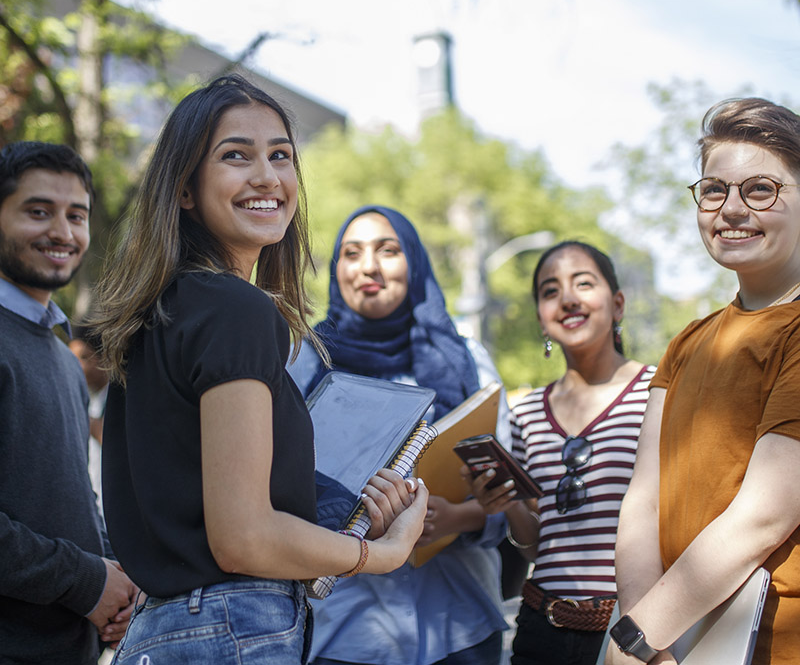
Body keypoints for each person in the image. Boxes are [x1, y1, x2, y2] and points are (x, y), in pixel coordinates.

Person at [91, 75, 428, 665]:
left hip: (169, 630)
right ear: (186, 188)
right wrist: (384, 552)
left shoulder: (162, 309)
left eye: (280, 156)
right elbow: (244, 536)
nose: (268, 177)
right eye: (235, 156)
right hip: (231, 628)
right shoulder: (233, 306)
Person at [606, 98, 800, 665]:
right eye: (714, 189)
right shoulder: (687, 341)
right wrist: (643, 642)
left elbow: (766, 514)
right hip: (670, 640)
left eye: (761, 189)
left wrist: (640, 634)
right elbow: (643, 500)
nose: (731, 208)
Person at [288, 205, 511, 665]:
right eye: (352, 253)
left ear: (414, 260)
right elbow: (276, 494)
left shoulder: (465, 358)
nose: (368, 266)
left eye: (388, 250)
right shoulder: (305, 361)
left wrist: (456, 518)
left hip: (460, 623)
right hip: (345, 630)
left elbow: (508, 493)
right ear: (337, 270)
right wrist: (357, 514)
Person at [467, 241, 655, 665]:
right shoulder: (526, 413)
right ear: (541, 318)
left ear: (618, 303)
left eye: (583, 283)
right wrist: (508, 503)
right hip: (540, 633)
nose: (568, 298)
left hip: (630, 633)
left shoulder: (658, 391)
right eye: (550, 291)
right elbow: (535, 546)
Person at [0, 141, 137, 663]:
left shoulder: (62, 359)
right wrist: (86, 581)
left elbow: (76, 496)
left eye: (75, 215)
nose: (62, 232)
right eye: (38, 212)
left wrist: (113, 578)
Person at [69, 329, 109, 514]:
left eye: (83, 358)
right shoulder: (90, 400)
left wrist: (94, 427)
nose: (76, 367)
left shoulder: (121, 400)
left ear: (102, 358)